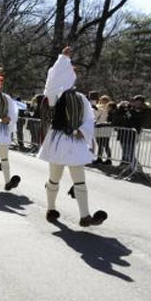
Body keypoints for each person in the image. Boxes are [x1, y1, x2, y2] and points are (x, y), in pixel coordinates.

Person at [38, 47, 107, 227]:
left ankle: (85, 216)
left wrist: (81, 132)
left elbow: (88, 119)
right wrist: (63, 58)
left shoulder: (81, 98)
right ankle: (51, 208)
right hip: (59, 140)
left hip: (75, 140)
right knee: (54, 178)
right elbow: (51, 80)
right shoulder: (55, 95)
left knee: (80, 180)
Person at [93, 95, 112, 165]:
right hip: (98, 126)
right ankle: (99, 158)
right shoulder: (97, 107)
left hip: (105, 126)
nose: (104, 101)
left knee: (106, 144)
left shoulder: (109, 107)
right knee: (99, 144)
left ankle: (109, 159)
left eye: (105, 100)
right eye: (103, 99)